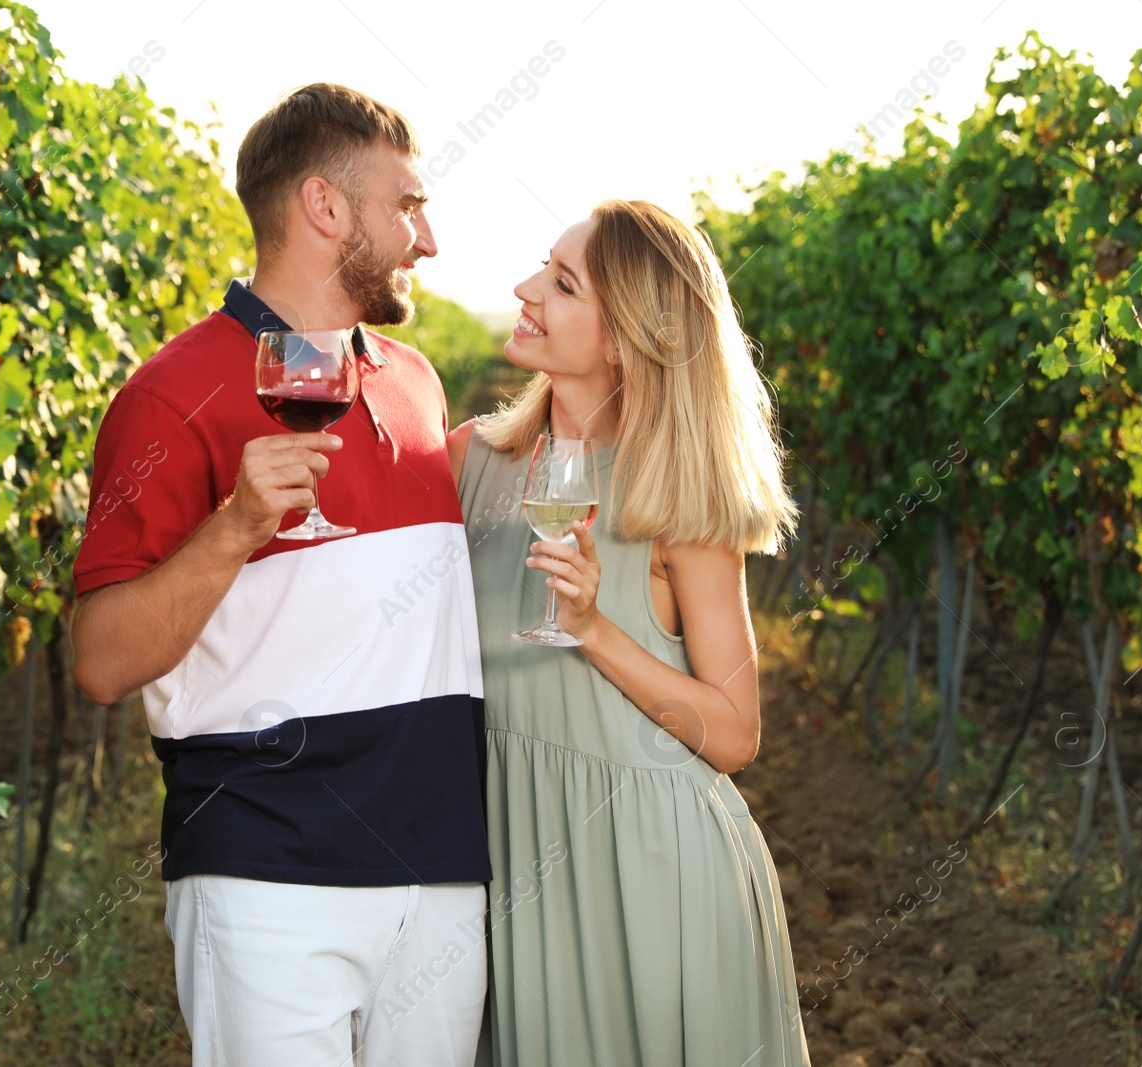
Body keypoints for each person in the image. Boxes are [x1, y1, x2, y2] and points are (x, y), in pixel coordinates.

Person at [71, 83, 491, 1067]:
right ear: (325, 207)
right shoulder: (170, 396)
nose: (425, 238)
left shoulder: (415, 381)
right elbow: (99, 662)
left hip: (439, 874)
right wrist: (237, 528)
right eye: (407, 205)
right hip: (267, 874)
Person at [450, 200, 813, 1066]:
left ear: (622, 340)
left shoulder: (675, 499)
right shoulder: (469, 462)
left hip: (656, 873)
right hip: (516, 858)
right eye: (544, 267)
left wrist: (595, 629)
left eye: (561, 283)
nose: (525, 289)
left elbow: (733, 732)